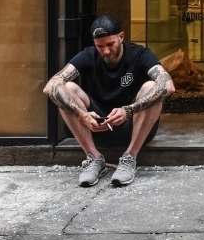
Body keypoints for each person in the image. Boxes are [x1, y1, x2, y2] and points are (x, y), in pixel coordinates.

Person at [43, 15, 175, 187]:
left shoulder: (140, 54)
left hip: (134, 125)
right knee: (65, 89)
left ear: (121, 37)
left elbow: (168, 86)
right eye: (100, 46)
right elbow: (50, 86)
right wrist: (81, 115)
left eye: (110, 44)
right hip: (97, 126)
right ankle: (94, 158)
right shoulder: (88, 56)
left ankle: (130, 158)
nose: (105, 51)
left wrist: (129, 110)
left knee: (152, 87)